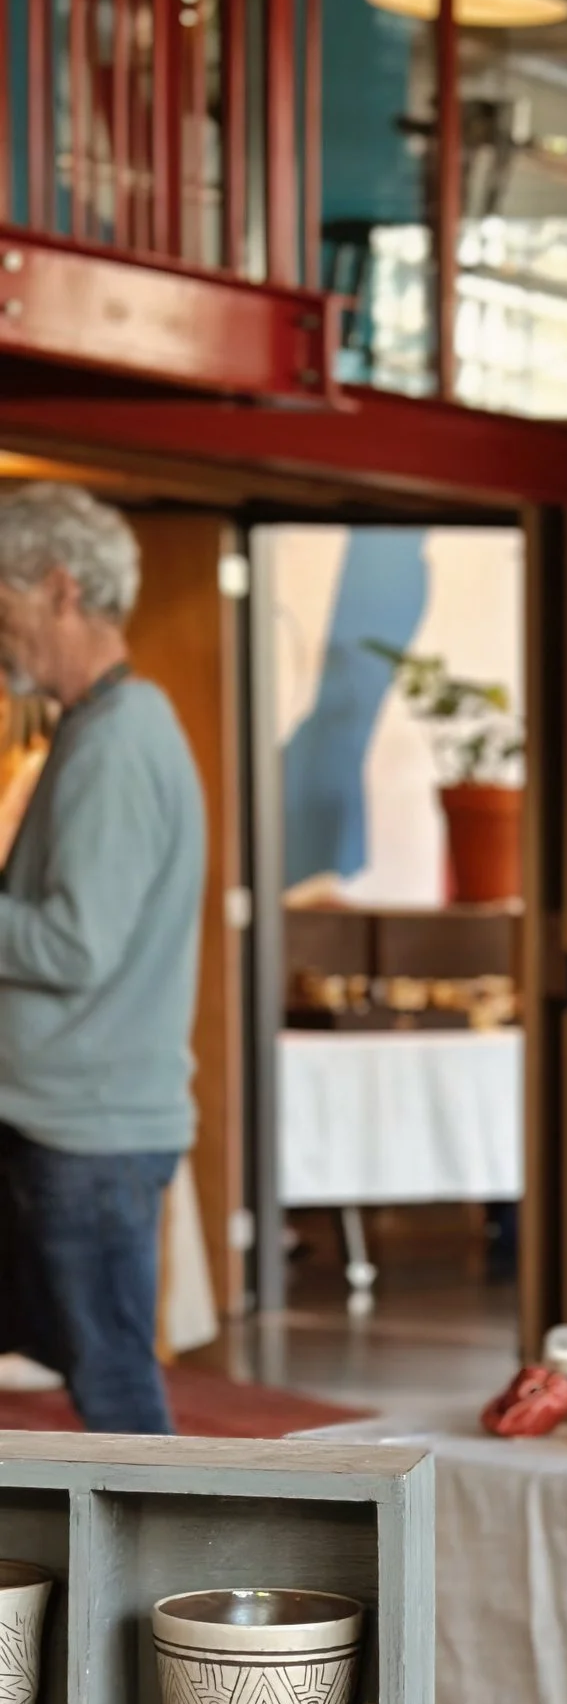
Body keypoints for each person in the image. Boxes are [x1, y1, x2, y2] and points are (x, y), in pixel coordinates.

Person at [0, 486, 205, 1436]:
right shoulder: (98, 725)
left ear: (57, 589)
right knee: (101, 1373)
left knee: (116, 1388)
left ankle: (172, 1586)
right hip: (68, 1124)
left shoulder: (117, 740)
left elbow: (74, 945)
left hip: (88, 1136)